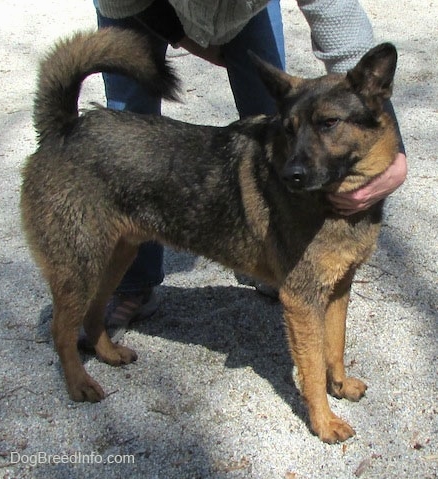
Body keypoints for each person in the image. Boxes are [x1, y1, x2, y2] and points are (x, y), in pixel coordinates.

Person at [90, 0, 407, 341]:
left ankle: (283, 258)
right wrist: (188, 38)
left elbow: (341, 23)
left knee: (280, 126)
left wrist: (394, 152)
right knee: (130, 131)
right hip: (138, 5)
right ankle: (134, 285)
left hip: (244, 11)